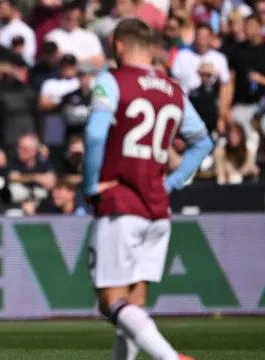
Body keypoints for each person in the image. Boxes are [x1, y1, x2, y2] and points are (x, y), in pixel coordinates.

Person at [82, 18, 213, 360]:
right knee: (133, 305)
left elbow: (96, 134)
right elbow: (202, 141)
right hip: (158, 207)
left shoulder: (112, 81)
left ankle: (170, 358)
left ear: (118, 44)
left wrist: (91, 183)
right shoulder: (173, 89)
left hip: (121, 201)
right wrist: (171, 182)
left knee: (111, 302)